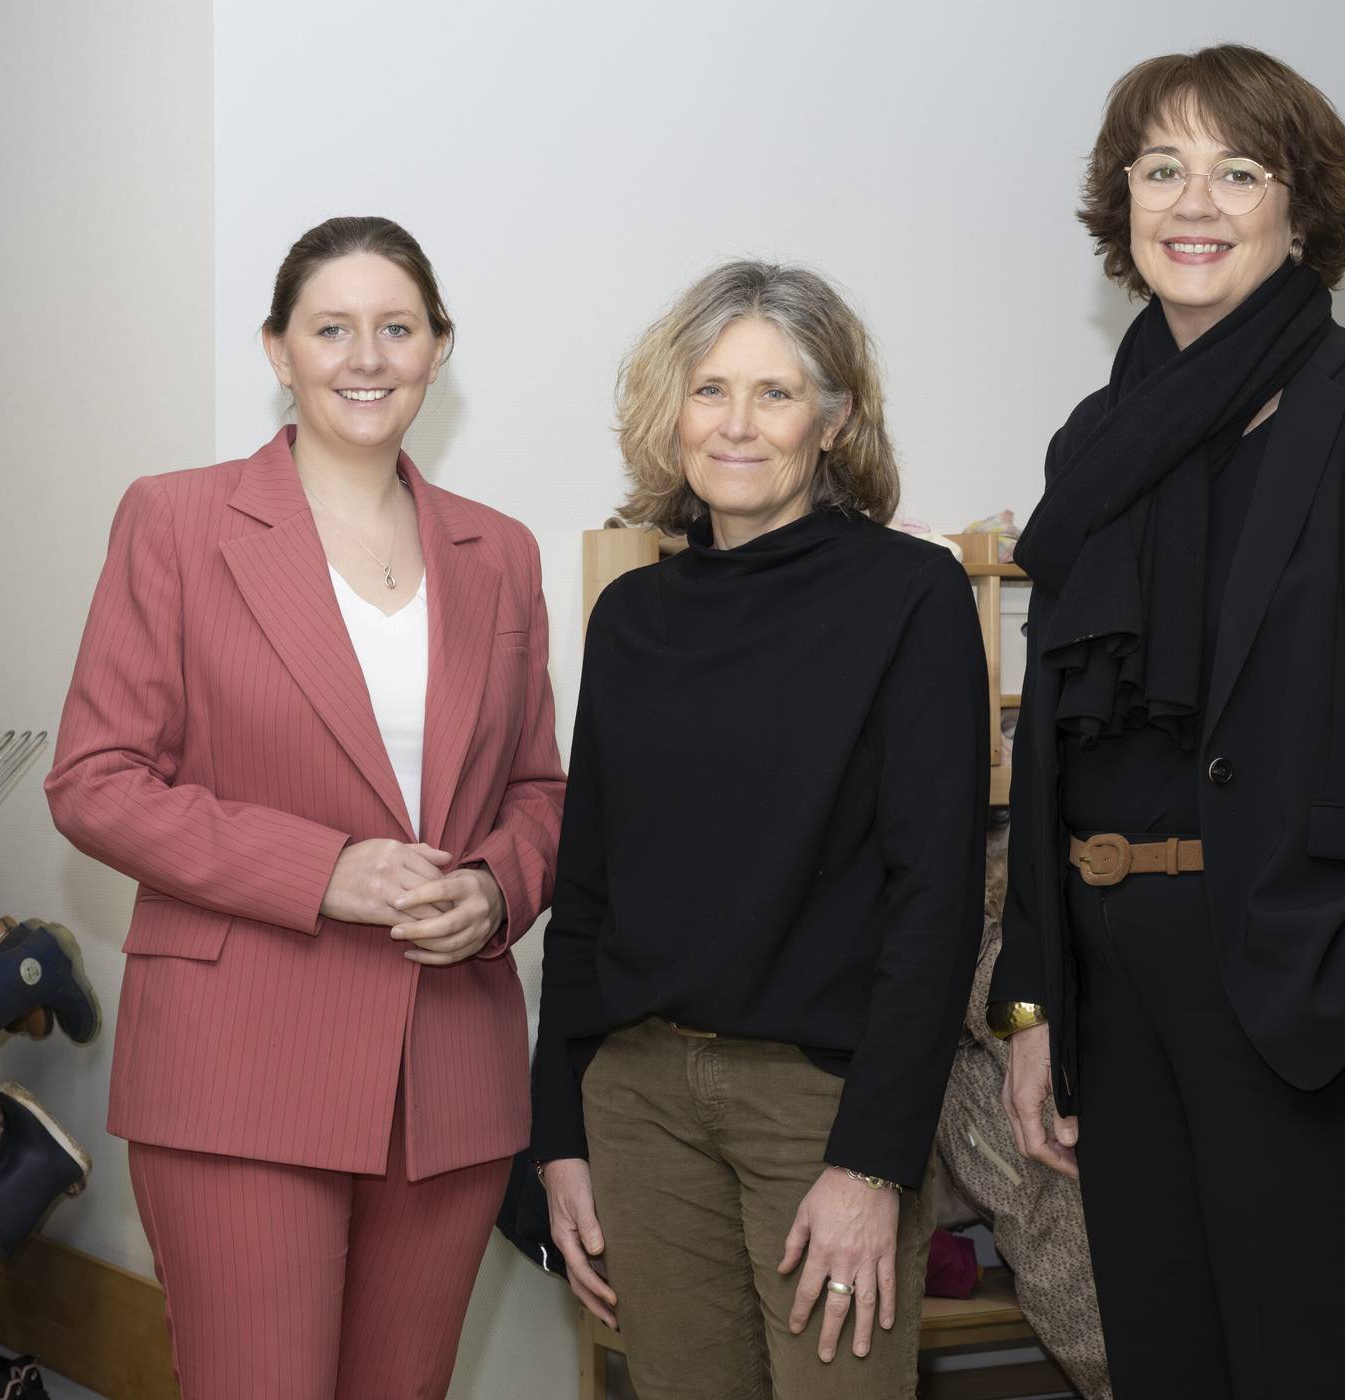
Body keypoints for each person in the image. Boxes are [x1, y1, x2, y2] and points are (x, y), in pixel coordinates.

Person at [991, 46, 1345, 1398]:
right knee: (1170, 1369)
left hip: (1314, 983)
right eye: (1162, 167)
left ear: (1303, 212)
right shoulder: (1096, 439)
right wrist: (1029, 1001)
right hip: (1117, 994)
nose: (1196, 200)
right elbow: (1055, 737)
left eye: (1240, 171)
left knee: (1321, 1370)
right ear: (1120, 203)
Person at [46, 216, 564, 1400]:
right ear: (278, 350)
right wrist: (322, 868)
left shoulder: (504, 552)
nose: (366, 356)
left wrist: (493, 890)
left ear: (440, 347)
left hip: (450, 1068)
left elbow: (539, 788)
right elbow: (96, 777)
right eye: (332, 328)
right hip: (243, 1055)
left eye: (397, 326)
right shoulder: (176, 520)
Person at [531, 260, 987, 1399]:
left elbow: (936, 894)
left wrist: (875, 1162)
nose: (737, 424)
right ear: (669, 408)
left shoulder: (911, 594)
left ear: (833, 420)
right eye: (709, 389)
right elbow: (582, 886)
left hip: (819, 1108)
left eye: (776, 394)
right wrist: (560, 1138)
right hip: (636, 1100)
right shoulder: (631, 615)